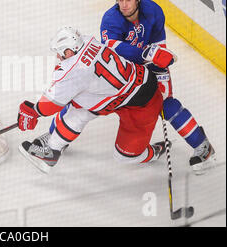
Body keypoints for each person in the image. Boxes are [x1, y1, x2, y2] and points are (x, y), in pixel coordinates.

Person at [99, 0, 216, 175]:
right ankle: (57, 138)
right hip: (122, 70)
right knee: (89, 94)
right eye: (120, 0)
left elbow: (158, 43)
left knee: (167, 105)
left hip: (149, 65)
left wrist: (158, 62)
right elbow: (112, 50)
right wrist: (147, 54)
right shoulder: (110, 19)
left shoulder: (153, 11)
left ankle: (202, 145)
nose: (124, 5)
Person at [17, 26, 169, 174]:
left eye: (60, 53)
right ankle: (52, 149)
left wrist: (34, 111)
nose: (58, 57)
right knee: (78, 109)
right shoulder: (88, 40)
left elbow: (50, 105)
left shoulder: (73, 71)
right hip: (117, 91)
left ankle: (154, 152)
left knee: (126, 156)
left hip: (143, 102)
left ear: (69, 51)